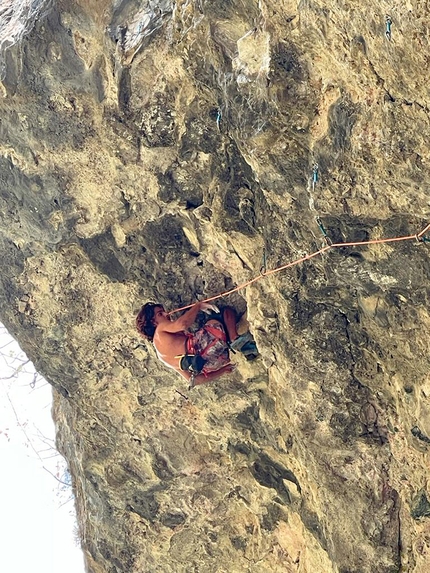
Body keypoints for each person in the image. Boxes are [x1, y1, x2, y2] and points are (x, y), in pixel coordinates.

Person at [136, 301, 258, 388]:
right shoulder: (160, 329)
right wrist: (198, 306)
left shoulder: (162, 357)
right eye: (160, 314)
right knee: (224, 313)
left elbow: (193, 380)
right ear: (153, 322)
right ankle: (235, 339)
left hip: (212, 363)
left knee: (221, 326)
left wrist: (222, 370)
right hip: (207, 341)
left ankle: (238, 346)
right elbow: (183, 323)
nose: (166, 314)